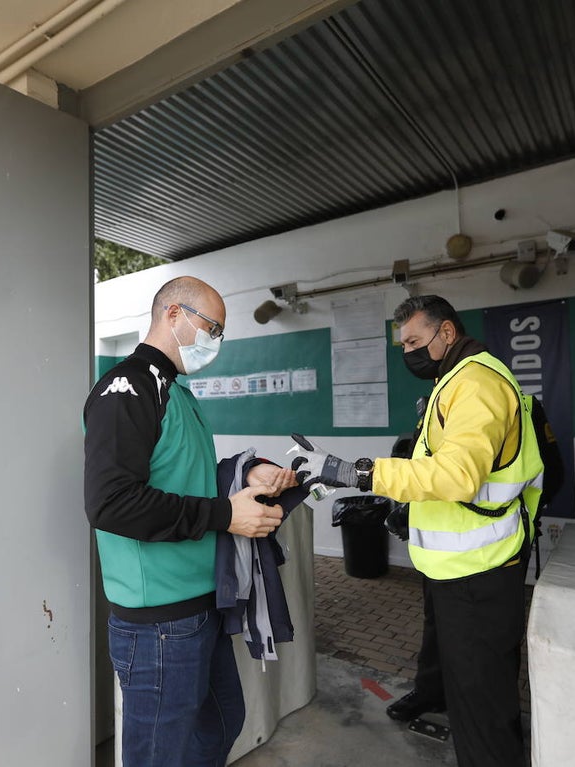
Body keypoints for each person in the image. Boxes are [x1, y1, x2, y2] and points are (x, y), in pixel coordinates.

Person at [290, 294, 544, 767]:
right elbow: (436, 470)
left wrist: (357, 472)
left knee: (483, 710)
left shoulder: (476, 384)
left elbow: (458, 476)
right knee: (471, 698)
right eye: (402, 343)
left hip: (479, 573)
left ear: (447, 332)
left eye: (414, 340)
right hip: (460, 569)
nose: (407, 352)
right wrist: (404, 507)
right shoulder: (455, 381)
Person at [83, 276, 295, 767]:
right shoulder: (129, 389)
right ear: (172, 315)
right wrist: (225, 515)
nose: (215, 342)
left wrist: (247, 470)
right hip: (158, 619)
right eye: (211, 327)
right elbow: (111, 503)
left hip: (201, 605)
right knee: (160, 754)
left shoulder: (179, 393)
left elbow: (185, 476)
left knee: (223, 723)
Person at [384, 393, 566, 726]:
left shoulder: (520, 404)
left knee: (494, 640)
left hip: (499, 552)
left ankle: (496, 717)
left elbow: (551, 473)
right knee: (436, 623)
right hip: (443, 546)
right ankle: (431, 692)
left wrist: (522, 521)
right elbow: (426, 472)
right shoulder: (437, 404)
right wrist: (408, 512)